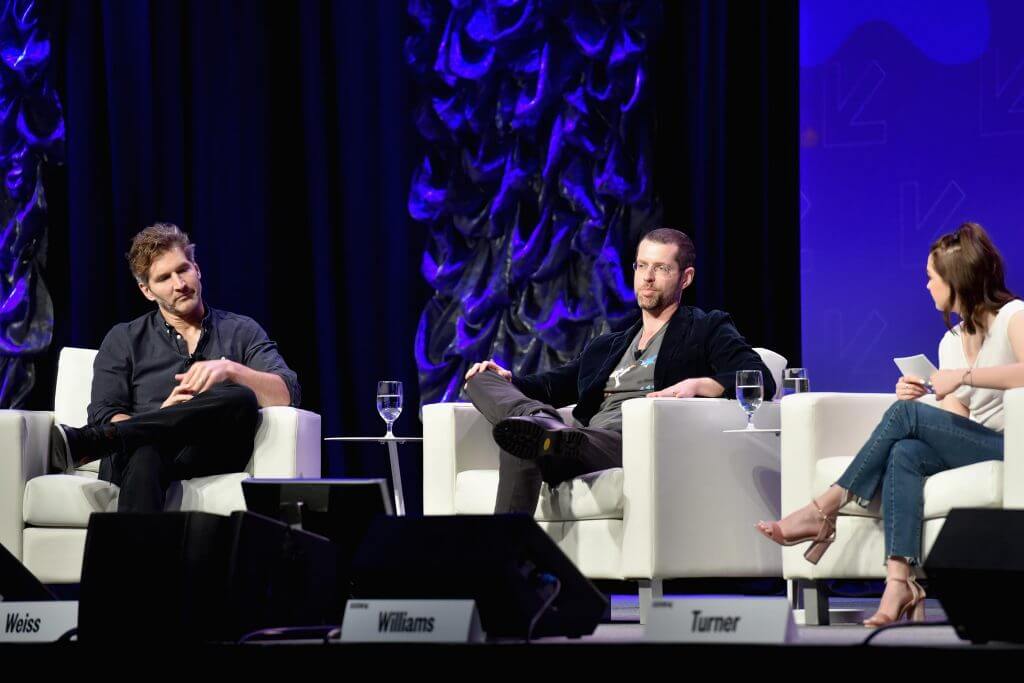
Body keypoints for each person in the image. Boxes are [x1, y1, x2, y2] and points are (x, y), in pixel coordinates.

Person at [757, 222, 1023, 627]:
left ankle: (823, 509)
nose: (927, 287)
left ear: (958, 280)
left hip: (1011, 447)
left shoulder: (1013, 316)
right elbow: (960, 420)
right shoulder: (951, 341)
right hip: (974, 442)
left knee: (905, 420)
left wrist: (963, 380)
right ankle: (899, 580)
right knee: (905, 450)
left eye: (932, 278)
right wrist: (925, 402)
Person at [463, 227, 775, 515]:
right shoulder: (608, 346)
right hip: (574, 439)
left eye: (661, 268)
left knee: (525, 434)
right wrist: (506, 379)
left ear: (686, 277)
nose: (648, 277)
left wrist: (702, 384)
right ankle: (543, 429)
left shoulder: (705, 328)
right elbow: (551, 386)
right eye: (642, 266)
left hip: (622, 441)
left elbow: (760, 378)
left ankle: (503, 566)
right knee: (490, 391)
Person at [49, 223, 300, 512]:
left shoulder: (241, 330)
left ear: (197, 268)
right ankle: (137, 558)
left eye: (183, 270)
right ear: (147, 290)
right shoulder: (124, 338)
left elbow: (287, 393)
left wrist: (231, 370)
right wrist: (163, 416)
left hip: (209, 453)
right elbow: (105, 415)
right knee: (147, 452)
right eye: (164, 278)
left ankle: (93, 443)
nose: (179, 284)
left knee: (239, 396)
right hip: (138, 457)